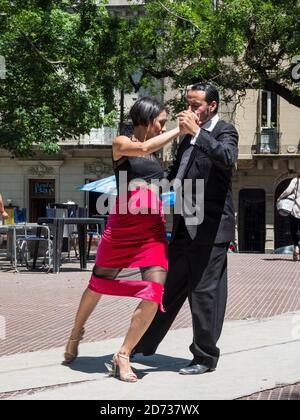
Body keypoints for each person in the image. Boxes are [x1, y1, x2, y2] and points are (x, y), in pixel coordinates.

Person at [63, 97, 185, 382]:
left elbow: (157, 173)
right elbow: (142, 147)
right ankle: (74, 333)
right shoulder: (121, 143)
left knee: (155, 291)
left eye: (166, 124)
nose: (162, 127)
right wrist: (180, 130)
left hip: (152, 230)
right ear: (146, 118)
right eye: (161, 122)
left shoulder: (155, 155)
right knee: (97, 285)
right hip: (122, 229)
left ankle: (124, 353)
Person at [133, 83, 239, 375]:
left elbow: (227, 159)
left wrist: (197, 133)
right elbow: (176, 174)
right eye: (188, 104)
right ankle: (142, 344)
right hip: (182, 225)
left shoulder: (223, 131)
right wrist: (151, 185)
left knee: (205, 294)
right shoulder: (185, 139)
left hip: (211, 229)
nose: (189, 110)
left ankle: (204, 358)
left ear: (212, 106)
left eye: (196, 105)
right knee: (165, 290)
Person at [277, 171, 300, 261]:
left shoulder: (296, 180)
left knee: (294, 230)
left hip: (296, 210)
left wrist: (280, 197)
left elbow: (287, 191)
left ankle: (296, 247)